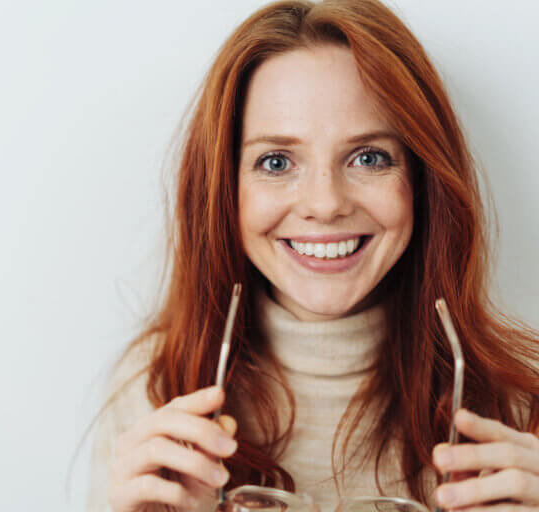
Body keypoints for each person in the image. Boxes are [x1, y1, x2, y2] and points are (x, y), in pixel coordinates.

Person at [85, 0, 539, 511]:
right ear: (223, 190)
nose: (325, 206)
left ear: (423, 179)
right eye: (276, 161)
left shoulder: (521, 408)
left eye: (369, 157)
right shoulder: (153, 391)